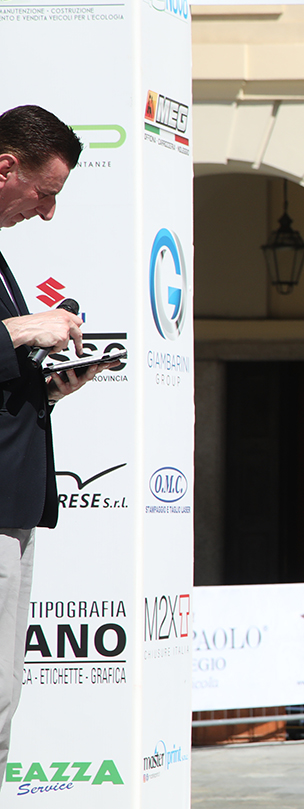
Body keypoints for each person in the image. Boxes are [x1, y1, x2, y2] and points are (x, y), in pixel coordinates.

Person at [0, 105, 108, 776]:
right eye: (46, 193)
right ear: (5, 166)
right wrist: (22, 332)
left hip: (12, 509)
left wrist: (48, 389)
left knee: (4, 698)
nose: (47, 213)